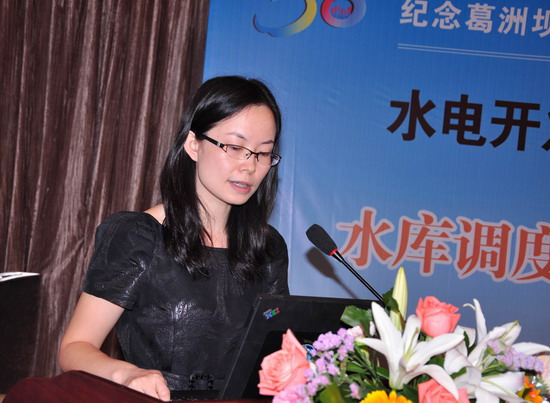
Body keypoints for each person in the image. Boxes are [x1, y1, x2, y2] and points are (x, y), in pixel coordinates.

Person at [58, 76, 289, 401]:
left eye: (263, 153)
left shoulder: (267, 248)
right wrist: (126, 374)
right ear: (193, 144)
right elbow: (74, 348)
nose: (250, 166)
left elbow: (276, 340)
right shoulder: (139, 236)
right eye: (236, 148)